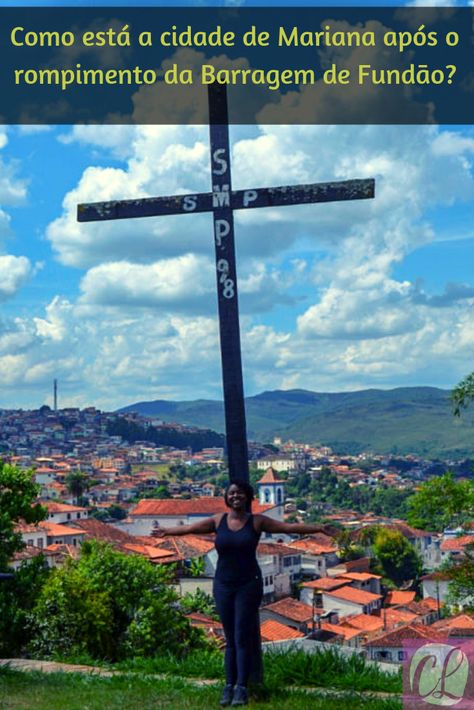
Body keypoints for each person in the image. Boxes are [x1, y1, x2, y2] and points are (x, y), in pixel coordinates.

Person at [156, 480, 332, 707]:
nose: (235, 496)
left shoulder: (257, 521)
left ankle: (242, 687)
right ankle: (228, 686)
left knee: (241, 636)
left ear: (247, 497)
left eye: (239, 493)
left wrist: (318, 528)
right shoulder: (219, 520)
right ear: (227, 498)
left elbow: (288, 528)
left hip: (248, 584)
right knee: (230, 638)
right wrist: (166, 531)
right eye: (231, 493)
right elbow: (190, 528)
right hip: (223, 584)